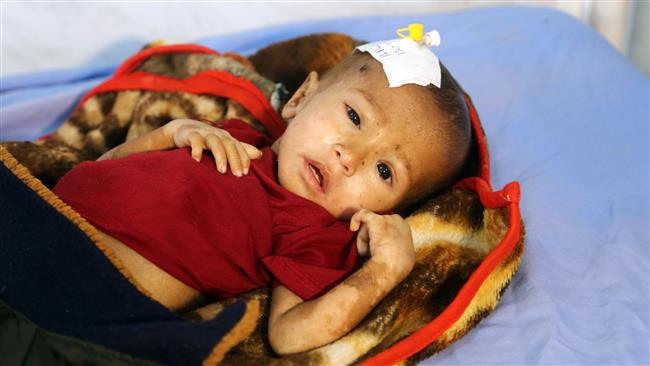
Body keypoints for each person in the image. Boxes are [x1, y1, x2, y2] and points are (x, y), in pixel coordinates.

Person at [52, 50, 472, 355]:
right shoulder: (232, 135)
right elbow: (103, 168)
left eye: (384, 171)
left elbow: (289, 335)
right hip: (38, 212)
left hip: (80, 299)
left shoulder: (315, 234)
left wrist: (386, 269)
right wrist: (171, 134)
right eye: (356, 117)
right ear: (300, 98)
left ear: (389, 212)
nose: (351, 156)